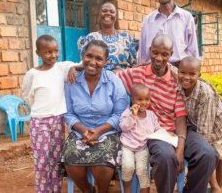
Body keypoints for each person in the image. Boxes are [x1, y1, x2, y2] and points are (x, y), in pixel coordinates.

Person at [117, 34, 218, 193]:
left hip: (179, 130)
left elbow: (180, 118)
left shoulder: (176, 79)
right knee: (165, 157)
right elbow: (110, 75)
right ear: (149, 51)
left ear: (171, 55)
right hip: (156, 132)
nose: (159, 58)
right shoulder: (136, 73)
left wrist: (180, 147)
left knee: (208, 154)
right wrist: (78, 67)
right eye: (155, 52)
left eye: (164, 54)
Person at [61, 40, 129, 193]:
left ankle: (103, 190)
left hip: (107, 131)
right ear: (82, 56)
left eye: (99, 59)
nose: (92, 62)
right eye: (88, 56)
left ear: (106, 61)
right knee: (71, 160)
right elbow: (68, 112)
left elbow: (120, 113)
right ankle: (87, 190)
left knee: (102, 162)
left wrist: (99, 131)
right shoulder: (72, 80)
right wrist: (83, 129)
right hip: (80, 130)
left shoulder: (113, 81)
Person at [21, 35, 79, 193]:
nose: (53, 55)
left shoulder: (61, 68)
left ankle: (55, 189)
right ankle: (43, 190)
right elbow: (27, 95)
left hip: (58, 122)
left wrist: (73, 68)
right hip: (40, 123)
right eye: (47, 52)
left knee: (56, 160)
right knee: (42, 161)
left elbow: (79, 65)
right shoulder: (32, 74)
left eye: (56, 51)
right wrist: (40, 110)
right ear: (38, 53)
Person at [177, 56, 222, 193]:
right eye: (182, 72)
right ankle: (214, 186)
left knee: (218, 155)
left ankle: (216, 187)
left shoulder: (205, 94)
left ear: (199, 75)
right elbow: (168, 68)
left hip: (217, 127)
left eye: (192, 74)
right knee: (207, 154)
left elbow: (204, 134)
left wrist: (195, 168)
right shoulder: (179, 81)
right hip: (197, 122)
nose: (186, 77)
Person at [138, 0, 199, 67]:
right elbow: (143, 54)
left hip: (179, 71)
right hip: (154, 71)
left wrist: (196, 68)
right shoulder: (148, 20)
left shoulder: (186, 17)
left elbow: (193, 49)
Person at [119, 84, 161, 193]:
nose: (144, 102)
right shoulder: (127, 113)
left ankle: (145, 190)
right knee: (128, 167)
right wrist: (133, 116)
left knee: (142, 170)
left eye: (147, 99)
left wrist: (166, 134)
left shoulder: (151, 115)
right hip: (128, 146)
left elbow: (157, 129)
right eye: (140, 99)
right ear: (132, 99)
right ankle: (127, 188)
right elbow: (124, 127)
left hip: (143, 147)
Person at [78, 2, 138, 72]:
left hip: (122, 80)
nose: (108, 13)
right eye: (104, 11)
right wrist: (74, 68)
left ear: (115, 17)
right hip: (97, 80)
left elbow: (134, 66)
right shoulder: (91, 37)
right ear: (99, 16)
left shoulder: (126, 38)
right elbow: (85, 63)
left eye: (112, 12)